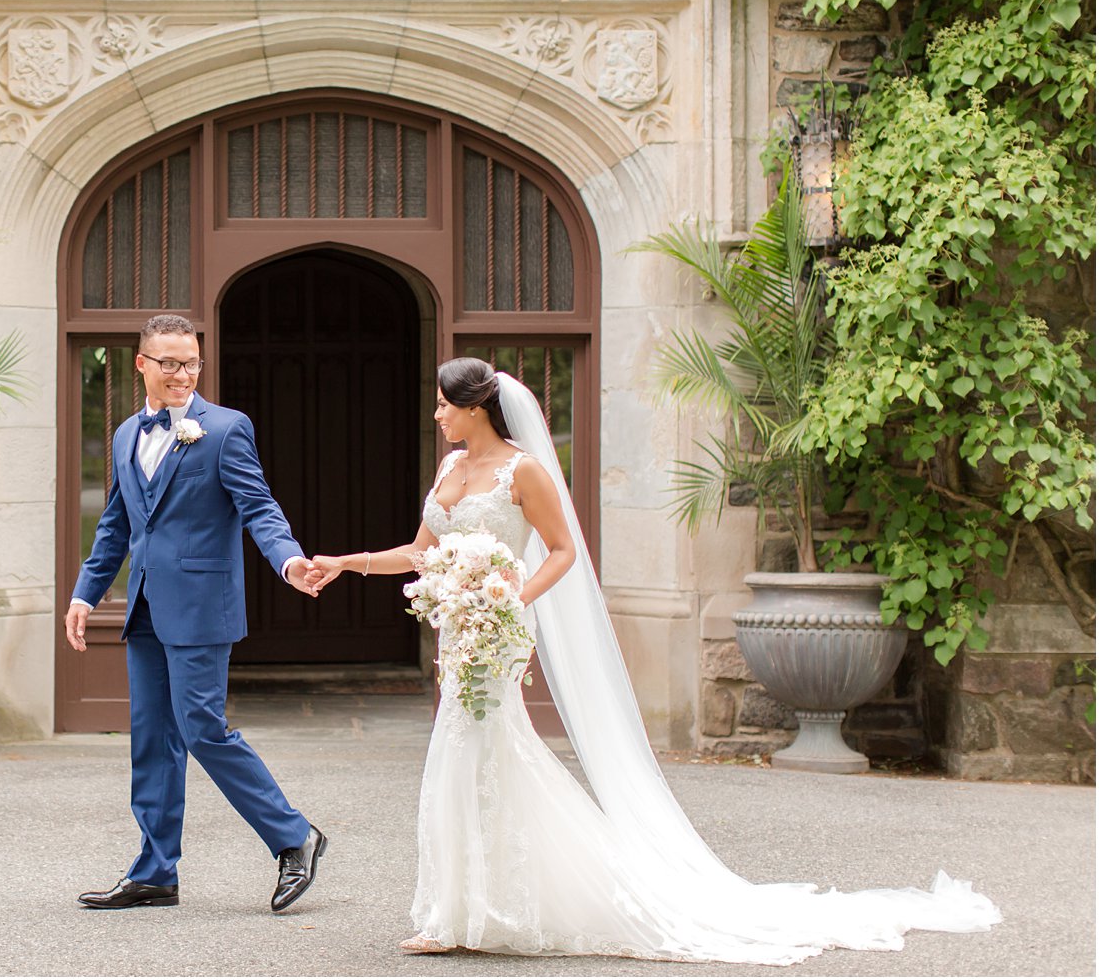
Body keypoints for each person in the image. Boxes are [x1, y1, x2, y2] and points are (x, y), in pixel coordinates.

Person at [307, 357, 1001, 962]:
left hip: (496, 629)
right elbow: (424, 550)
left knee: (485, 753)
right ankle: (453, 914)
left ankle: (497, 910)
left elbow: (561, 551)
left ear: (476, 407)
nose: (436, 416)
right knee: (459, 759)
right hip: (458, 635)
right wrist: (347, 562)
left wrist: (511, 596)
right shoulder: (453, 467)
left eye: (443, 405)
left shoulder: (524, 473)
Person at [65, 314, 326, 914]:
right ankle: (155, 871)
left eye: (191, 363)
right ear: (142, 365)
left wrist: (287, 563)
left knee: (202, 728)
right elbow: (116, 525)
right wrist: (85, 593)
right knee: (151, 738)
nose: (183, 374)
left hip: (204, 607)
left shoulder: (226, 429)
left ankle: (295, 837)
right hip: (146, 606)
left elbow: (260, 506)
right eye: (170, 363)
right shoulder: (127, 433)